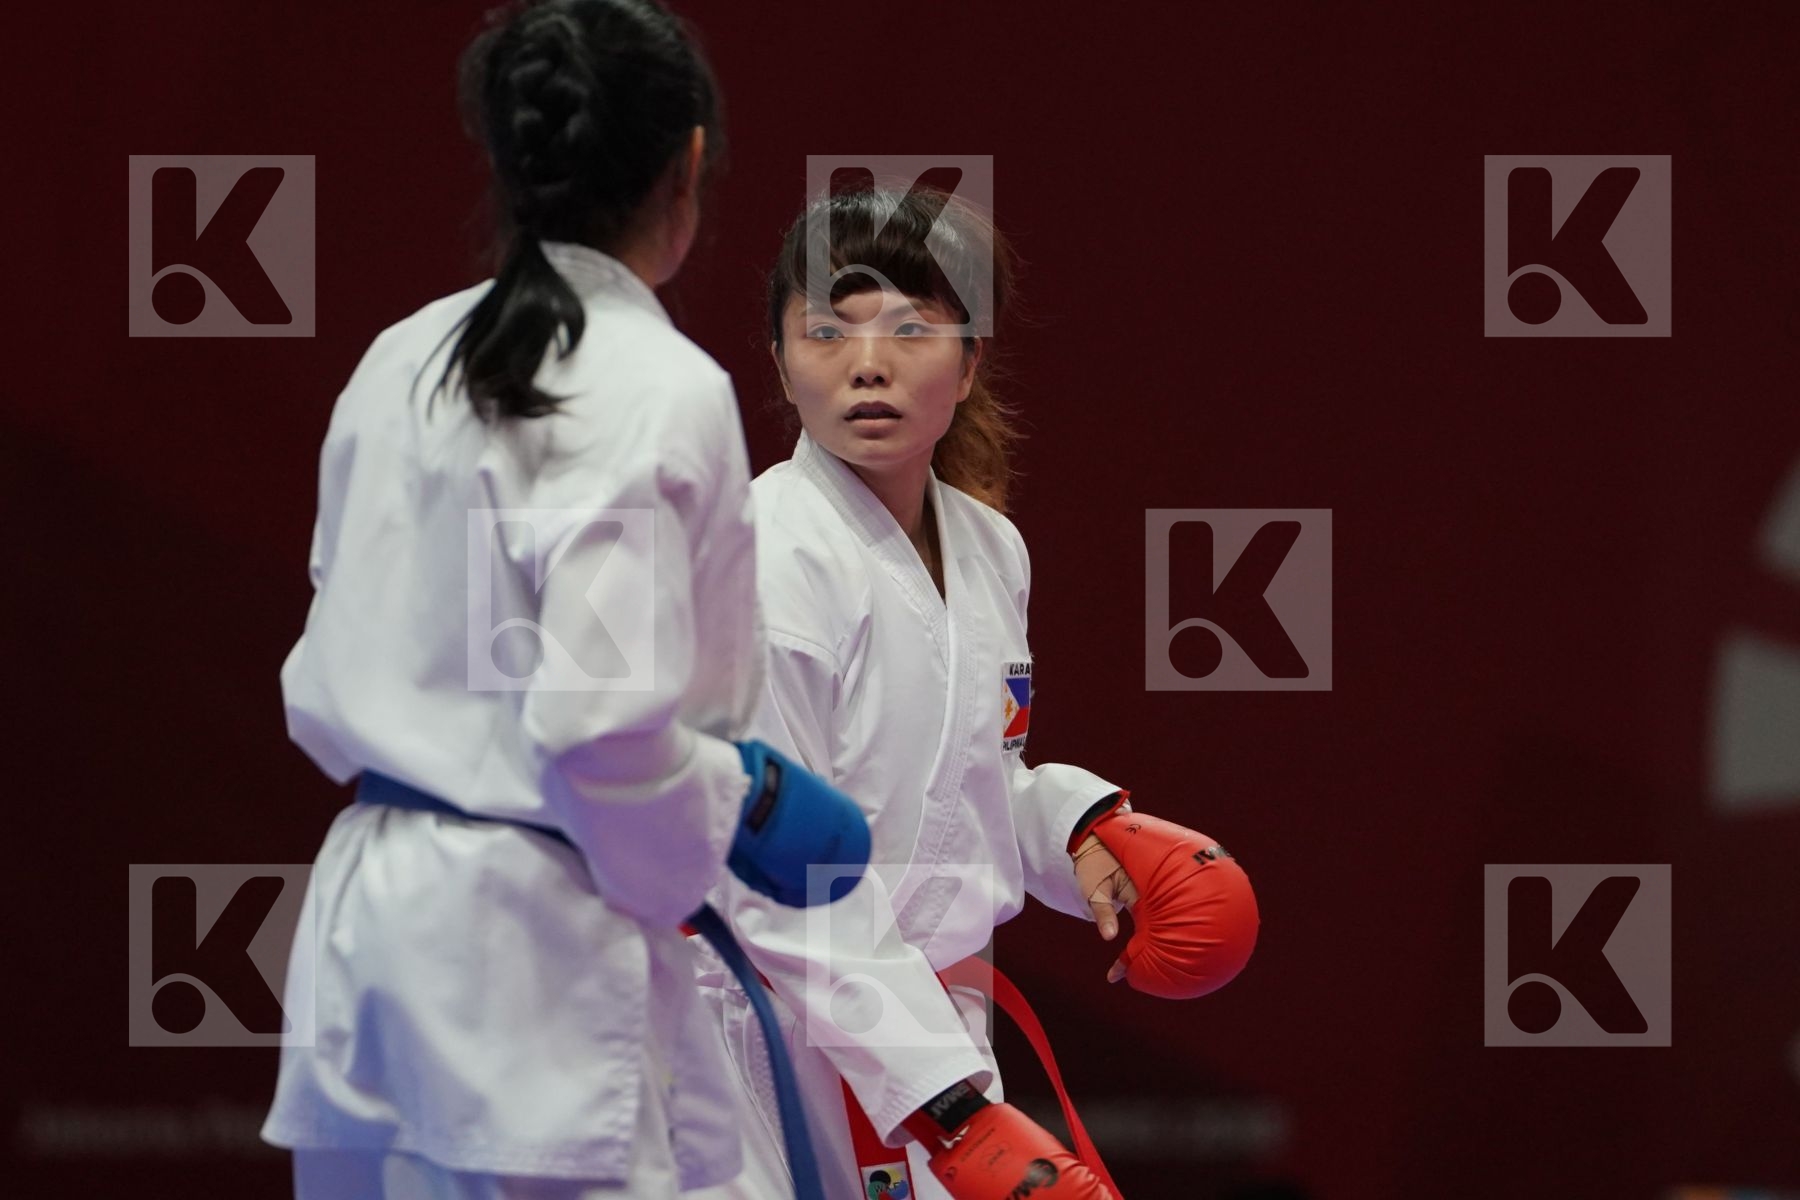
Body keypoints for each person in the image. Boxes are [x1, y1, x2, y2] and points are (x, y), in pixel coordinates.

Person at [261, 3, 867, 1197]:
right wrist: (739, 794)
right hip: (528, 973)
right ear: (686, 165)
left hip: (368, 940)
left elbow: (353, 626)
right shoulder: (653, 384)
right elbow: (595, 725)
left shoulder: (402, 357)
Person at [691, 188, 1260, 1200]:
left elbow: (966, 778)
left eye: (913, 329)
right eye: (828, 330)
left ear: (972, 360)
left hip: (932, 1034)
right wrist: (948, 1107)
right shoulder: (767, 555)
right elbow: (773, 868)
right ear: (779, 360)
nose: (870, 363)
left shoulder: (991, 546)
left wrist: (1083, 826)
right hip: (774, 1039)